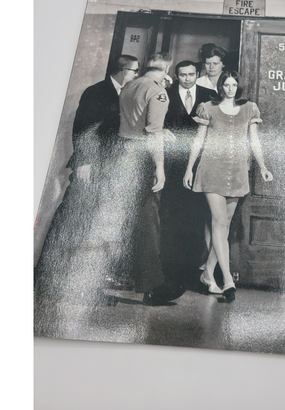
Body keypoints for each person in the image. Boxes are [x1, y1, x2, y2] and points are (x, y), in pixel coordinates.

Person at [34, 55, 140, 304]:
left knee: (92, 227)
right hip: (91, 167)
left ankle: (81, 285)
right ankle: (47, 281)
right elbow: (83, 128)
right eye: (135, 71)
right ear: (123, 71)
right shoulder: (97, 92)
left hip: (108, 168)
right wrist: (83, 163)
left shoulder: (125, 94)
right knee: (71, 222)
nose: (137, 75)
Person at [183, 70, 273, 302]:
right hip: (211, 170)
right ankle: (228, 280)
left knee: (223, 227)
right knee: (219, 223)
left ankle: (207, 275)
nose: (230, 89)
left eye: (234, 85)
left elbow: (254, 141)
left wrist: (263, 166)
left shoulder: (250, 108)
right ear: (221, 86)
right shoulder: (208, 108)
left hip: (238, 172)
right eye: (226, 85)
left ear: (238, 87)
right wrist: (189, 168)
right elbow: (198, 140)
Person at [117, 52, 184, 306]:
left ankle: (128, 277)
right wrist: (159, 167)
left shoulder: (130, 85)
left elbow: (134, 122)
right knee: (148, 221)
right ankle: (153, 286)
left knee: (129, 219)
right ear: (166, 70)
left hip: (123, 153)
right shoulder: (158, 92)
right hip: (143, 158)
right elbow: (153, 134)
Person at [160, 61, 213, 286]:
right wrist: (161, 130)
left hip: (200, 162)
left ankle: (192, 267)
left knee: (197, 213)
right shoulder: (165, 93)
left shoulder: (209, 95)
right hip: (172, 162)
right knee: (171, 211)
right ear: (176, 76)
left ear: (197, 74)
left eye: (191, 74)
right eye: (183, 75)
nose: (188, 78)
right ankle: (169, 266)